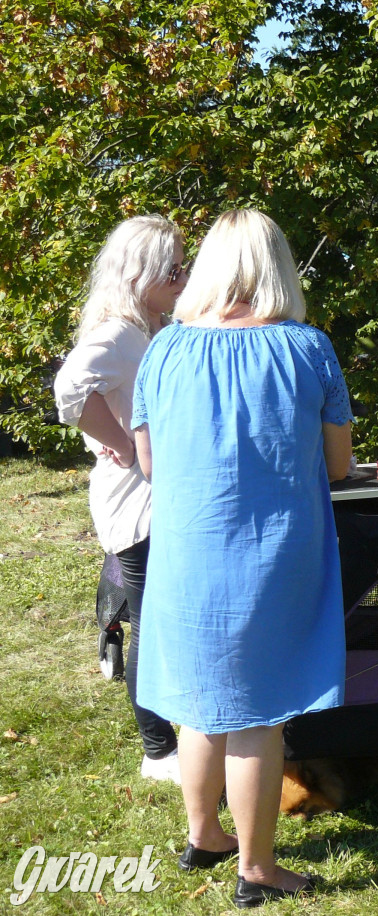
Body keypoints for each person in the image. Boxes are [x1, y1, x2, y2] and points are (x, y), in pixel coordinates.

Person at [132, 210, 352, 906]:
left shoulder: (164, 350)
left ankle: (205, 835)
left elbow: (148, 460)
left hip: (188, 549)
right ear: (278, 266)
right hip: (269, 551)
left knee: (198, 703)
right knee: (259, 716)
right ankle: (257, 870)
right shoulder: (307, 348)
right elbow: (340, 465)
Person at [53, 215, 185, 784]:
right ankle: (158, 751)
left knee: (162, 620)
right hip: (136, 506)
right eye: (172, 267)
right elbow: (68, 391)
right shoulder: (117, 333)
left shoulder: (150, 327)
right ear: (142, 274)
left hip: (161, 499)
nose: (183, 276)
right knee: (152, 627)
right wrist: (122, 444)